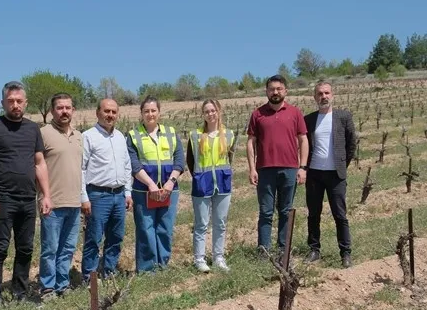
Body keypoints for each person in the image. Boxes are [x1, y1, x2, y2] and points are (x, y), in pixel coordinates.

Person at [0, 81, 52, 305]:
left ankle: (20, 294)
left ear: (26, 103)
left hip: (27, 198)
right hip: (2, 198)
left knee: (25, 248)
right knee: (0, 248)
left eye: (19, 101)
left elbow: (40, 163)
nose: (15, 105)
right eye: (11, 101)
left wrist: (46, 195)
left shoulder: (32, 128)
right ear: (3, 103)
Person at [246, 75, 308, 262]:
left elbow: (303, 140)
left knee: (285, 210)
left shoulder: (295, 113)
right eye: (272, 89)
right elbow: (251, 142)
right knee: (266, 212)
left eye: (279, 89)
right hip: (265, 170)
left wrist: (302, 167)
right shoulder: (257, 114)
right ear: (266, 91)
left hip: (290, 169)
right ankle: (264, 251)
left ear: (285, 91)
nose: (275, 92)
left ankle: (283, 250)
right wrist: (252, 168)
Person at [127, 96, 185, 273]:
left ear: (159, 112)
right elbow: (134, 164)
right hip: (143, 190)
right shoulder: (133, 135)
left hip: (169, 190)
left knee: (165, 228)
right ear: (141, 113)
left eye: (153, 110)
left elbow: (179, 160)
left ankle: (163, 265)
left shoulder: (171, 133)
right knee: (146, 228)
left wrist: (171, 182)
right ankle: (147, 269)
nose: (150, 114)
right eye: (146, 111)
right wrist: (151, 184)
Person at [303, 81, 356, 268]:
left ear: (332, 95)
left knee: (340, 215)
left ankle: (345, 252)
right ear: (314, 97)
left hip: (336, 175)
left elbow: (351, 144)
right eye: (320, 93)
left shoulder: (343, 116)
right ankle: (314, 250)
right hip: (314, 174)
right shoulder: (308, 119)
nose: (323, 96)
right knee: (313, 214)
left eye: (326, 93)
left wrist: (342, 165)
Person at [80, 98, 133, 284]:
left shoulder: (120, 137)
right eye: (106, 111)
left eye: (113, 112)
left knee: (116, 237)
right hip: (97, 195)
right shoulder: (88, 136)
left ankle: (109, 271)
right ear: (97, 113)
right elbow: (81, 169)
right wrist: (83, 197)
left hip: (119, 195)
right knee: (94, 238)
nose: (110, 115)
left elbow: (127, 165)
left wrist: (128, 192)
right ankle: (90, 278)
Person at [38, 93, 82, 300]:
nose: (64, 111)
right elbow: (36, 165)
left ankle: (62, 284)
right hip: (52, 203)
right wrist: (43, 196)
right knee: (50, 248)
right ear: (51, 111)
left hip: (74, 201)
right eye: (60, 107)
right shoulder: (43, 134)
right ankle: (47, 288)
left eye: (68, 107)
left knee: (68, 248)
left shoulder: (79, 136)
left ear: (73, 110)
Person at [187, 99, 235, 273]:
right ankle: (199, 259)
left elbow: (230, 159)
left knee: (220, 223)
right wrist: (199, 177)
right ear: (203, 114)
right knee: (201, 224)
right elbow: (190, 161)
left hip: (223, 184)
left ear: (219, 111)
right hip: (202, 184)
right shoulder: (195, 135)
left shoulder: (228, 135)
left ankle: (218, 257)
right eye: (207, 111)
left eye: (213, 110)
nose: (210, 114)